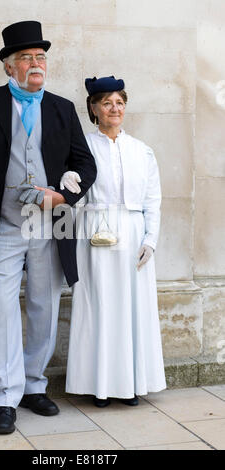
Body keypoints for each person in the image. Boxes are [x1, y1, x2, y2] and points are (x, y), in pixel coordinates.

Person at [0, 21, 96, 434]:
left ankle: (33, 385)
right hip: (4, 224)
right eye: (27, 58)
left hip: (51, 224)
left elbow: (86, 165)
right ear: (9, 67)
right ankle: (4, 397)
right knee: (0, 309)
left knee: (45, 308)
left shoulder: (63, 107)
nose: (36, 64)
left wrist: (62, 197)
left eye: (41, 57)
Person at [66, 76, 166, 407]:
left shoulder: (142, 150)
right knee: (100, 307)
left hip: (134, 231)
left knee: (132, 308)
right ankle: (100, 387)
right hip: (96, 231)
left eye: (120, 102)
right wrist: (65, 178)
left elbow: (153, 198)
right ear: (94, 108)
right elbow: (72, 192)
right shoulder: (83, 148)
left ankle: (132, 384)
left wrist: (150, 239)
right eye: (107, 103)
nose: (114, 109)